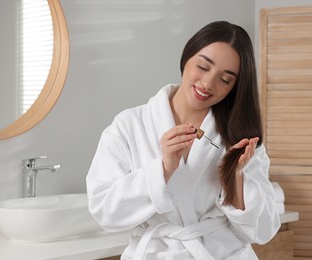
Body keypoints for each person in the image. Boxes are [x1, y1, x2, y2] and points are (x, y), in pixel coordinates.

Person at [86, 21, 281, 260]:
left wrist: (235, 177)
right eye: (203, 66)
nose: (208, 83)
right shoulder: (128, 126)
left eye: (225, 79)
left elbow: (264, 231)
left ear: (235, 86)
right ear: (187, 57)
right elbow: (105, 211)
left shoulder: (240, 137)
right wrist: (163, 169)